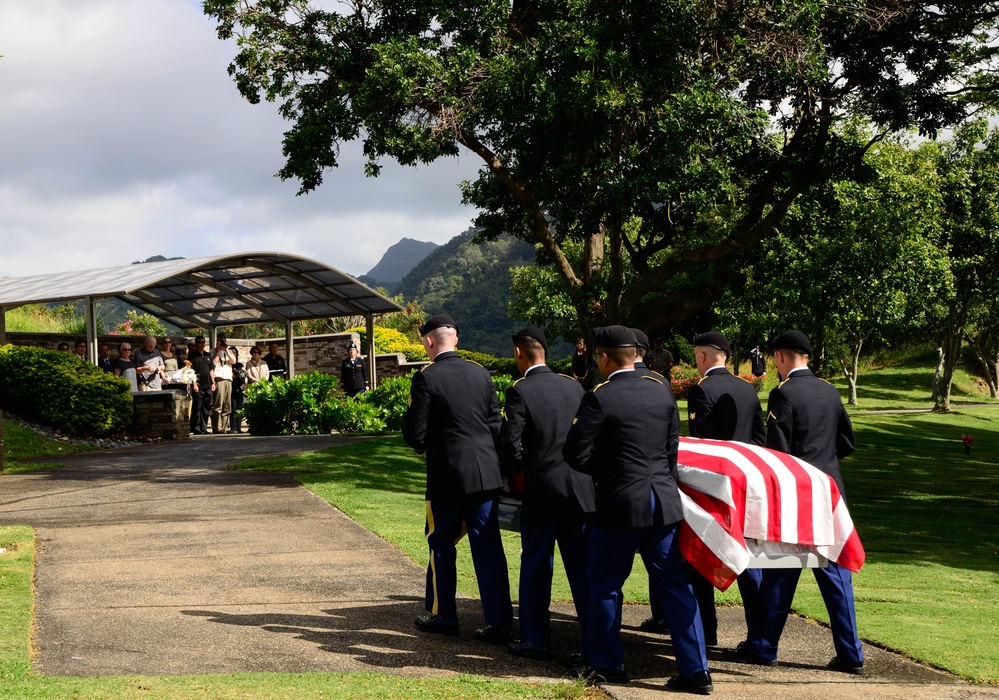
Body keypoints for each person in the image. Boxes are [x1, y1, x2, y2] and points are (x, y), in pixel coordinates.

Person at [563, 325, 712, 694]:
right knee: (675, 586)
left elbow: (576, 454)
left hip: (619, 504)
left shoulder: (599, 396)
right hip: (662, 501)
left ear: (603, 357)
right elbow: (672, 448)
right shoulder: (660, 391)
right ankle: (696, 670)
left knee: (605, 584)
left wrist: (611, 473)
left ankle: (607, 663)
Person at [729, 330, 863, 675]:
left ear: (781, 357)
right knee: (836, 576)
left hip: (798, 496)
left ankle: (763, 647)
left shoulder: (783, 394)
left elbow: (778, 453)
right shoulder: (830, 391)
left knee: (781, 574)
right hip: (830, 494)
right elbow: (846, 443)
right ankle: (852, 655)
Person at [402, 314, 514, 642]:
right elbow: (496, 426)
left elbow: (416, 434)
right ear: (457, 340)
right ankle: (499, 622)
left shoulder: (427, 377)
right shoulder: (482, 375)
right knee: (488, 547)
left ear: (428, 341)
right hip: (486, 474)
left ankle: (443, 615)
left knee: (441, 543)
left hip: (447, 475)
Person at [499, 326, 591, 661]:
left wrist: (525, 467)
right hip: (580, 489)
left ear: (519, 353)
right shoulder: (574, 386)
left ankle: (536, 639)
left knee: (537, 564)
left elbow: (510, 444)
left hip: (543, 488)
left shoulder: (520, 390)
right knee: (583, 569)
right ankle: (594, 639)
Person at [685, 332, 766, 648]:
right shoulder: (748, 390)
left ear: (703, 356)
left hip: (713, 490)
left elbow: (700, 446)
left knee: (702, 557)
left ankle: (707, 632)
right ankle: (759, 636)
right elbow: (759, 441)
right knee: (748, 562)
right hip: (746, 487)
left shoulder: (701, 390)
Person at [211, 334, 238, 434]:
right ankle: (217, 427)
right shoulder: (213, 351)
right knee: (218, 403)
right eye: (219, 341)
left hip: (228, 378)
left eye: (222, 341)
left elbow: (233, 361)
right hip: (218, 378)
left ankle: (225, 427)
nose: (221, 342)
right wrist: (218, 350)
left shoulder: (229, 351)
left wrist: (226, 349)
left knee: (227, 404)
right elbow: (213, 362)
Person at [188, 336, 214, 435]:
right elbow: (190, 371)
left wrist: (213, 382)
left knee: (206, 407)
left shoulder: (208, 355)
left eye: (203, 342)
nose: (202, 344)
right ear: (196, 343)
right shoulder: (192, 355)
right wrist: (194, 384)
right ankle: (196, 427)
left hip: (208, 384)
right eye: (200, 342)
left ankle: (204, 427)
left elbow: (211, 369)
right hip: (198, 385)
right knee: (197, 407)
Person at [231, 361, 247, 433]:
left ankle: (239, 427)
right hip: (233, 389)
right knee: (233, 409)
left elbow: (243, 379)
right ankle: (233, 427)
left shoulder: (240, 367)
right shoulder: (229, 367)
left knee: (239, 408)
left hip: (240, 390)